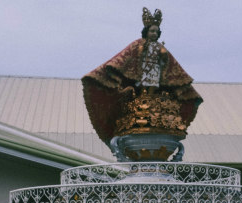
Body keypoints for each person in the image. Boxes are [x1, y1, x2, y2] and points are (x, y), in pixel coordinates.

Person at [81, 8, 202, 145]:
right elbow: (130, 56)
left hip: (155, 71)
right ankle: (144, 95)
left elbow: (168, 62)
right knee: (145, 83)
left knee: (154, 83)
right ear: (146, 32)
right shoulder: (139, 44)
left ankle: (151, 96)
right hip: (144, 70)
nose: (154, 34)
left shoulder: (159, 47)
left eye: (156, 32)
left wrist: (163, 55)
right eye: (152, 31)